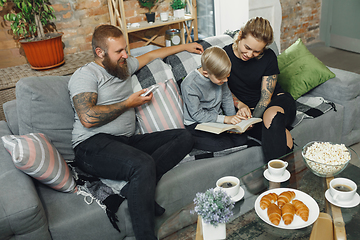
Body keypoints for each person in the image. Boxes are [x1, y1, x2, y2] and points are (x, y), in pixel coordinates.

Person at [68, 24, 203, 240]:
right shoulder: (86, 75)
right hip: (91, 146)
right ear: (100, 52)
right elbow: (88, 117)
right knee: (142, 164)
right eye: (119, 51)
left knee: (184, 136)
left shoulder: (122, 66)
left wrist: (186, 46)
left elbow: (151, 55)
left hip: (123, 142)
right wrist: (127, 103)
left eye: (125, 48)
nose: (125, 54)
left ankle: (135, 189)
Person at [223, 17, 296, 162]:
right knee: (277, 133)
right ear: (240, 36)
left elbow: (265, 98)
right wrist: (240, 105)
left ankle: (275, 179)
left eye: (256, 52)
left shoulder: (269, 57)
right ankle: (282, 177)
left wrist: (251, 121)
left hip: (277, 103)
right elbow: (222, 89)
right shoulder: (224, 56)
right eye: (247, 48)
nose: (249, 55)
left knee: (271, 116)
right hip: (250, 111)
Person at [181, 46, 248, 152]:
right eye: (221, 79)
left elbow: (226, 97)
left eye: (228, 76)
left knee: (242, 139)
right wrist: (225, 119)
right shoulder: (189, 84)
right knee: (223, 144)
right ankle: (192, 140)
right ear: (206, 73)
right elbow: (196, 114)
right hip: (196, 123)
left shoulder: (220, 76)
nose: (225, 80)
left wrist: (233, 120)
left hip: (216, 120)